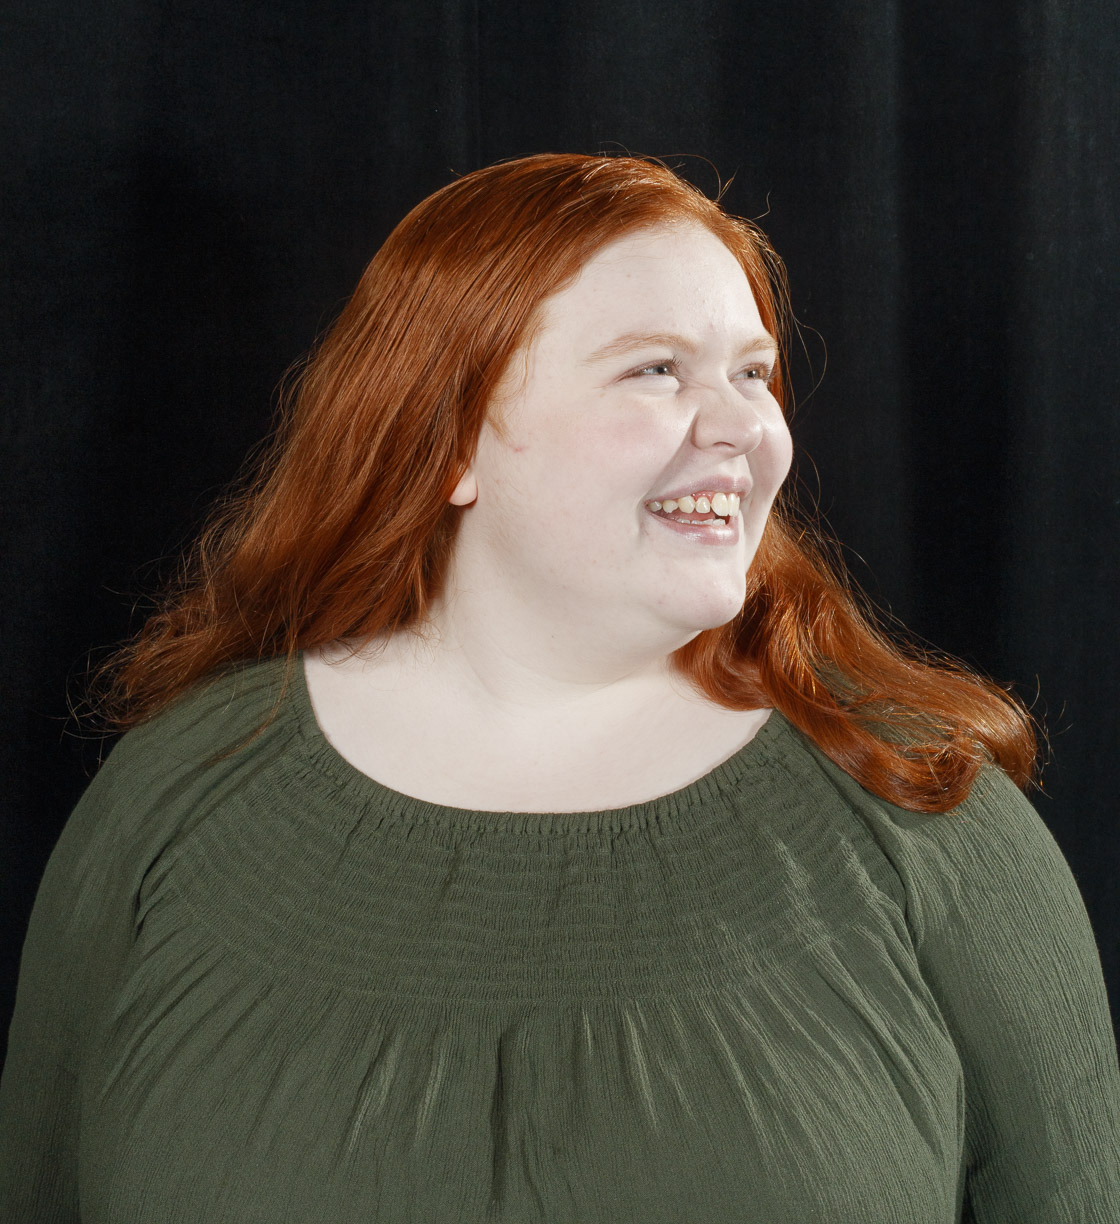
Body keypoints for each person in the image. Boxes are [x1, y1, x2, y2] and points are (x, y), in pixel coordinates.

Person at [1, 152, 1118, 1223]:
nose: (746, 425)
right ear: (448, 441)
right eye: (655, 369)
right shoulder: (178, 798)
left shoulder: (919, 807)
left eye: (750, 372)